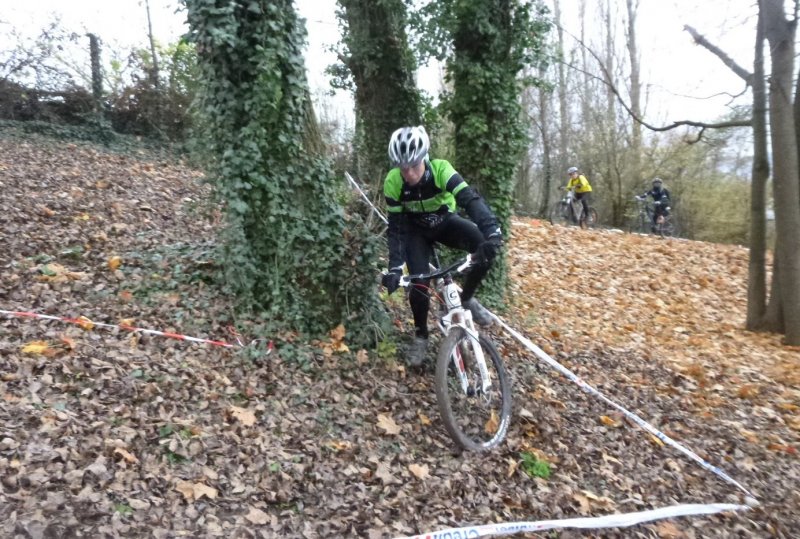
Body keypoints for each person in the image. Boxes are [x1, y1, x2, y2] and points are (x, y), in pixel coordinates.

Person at [380, 126, 503, 366]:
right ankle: (421, 335)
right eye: (403, 168)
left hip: (445, 222)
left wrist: (492, 232)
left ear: (424, 158)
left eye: (414, 166)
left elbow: (470, 199)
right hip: (416, 232)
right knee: (418, 284)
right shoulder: (393, 182)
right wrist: (395, 267)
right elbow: (396, 230)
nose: (410, 174)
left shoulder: (441, 170)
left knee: (483, 247)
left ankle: (466, 298)